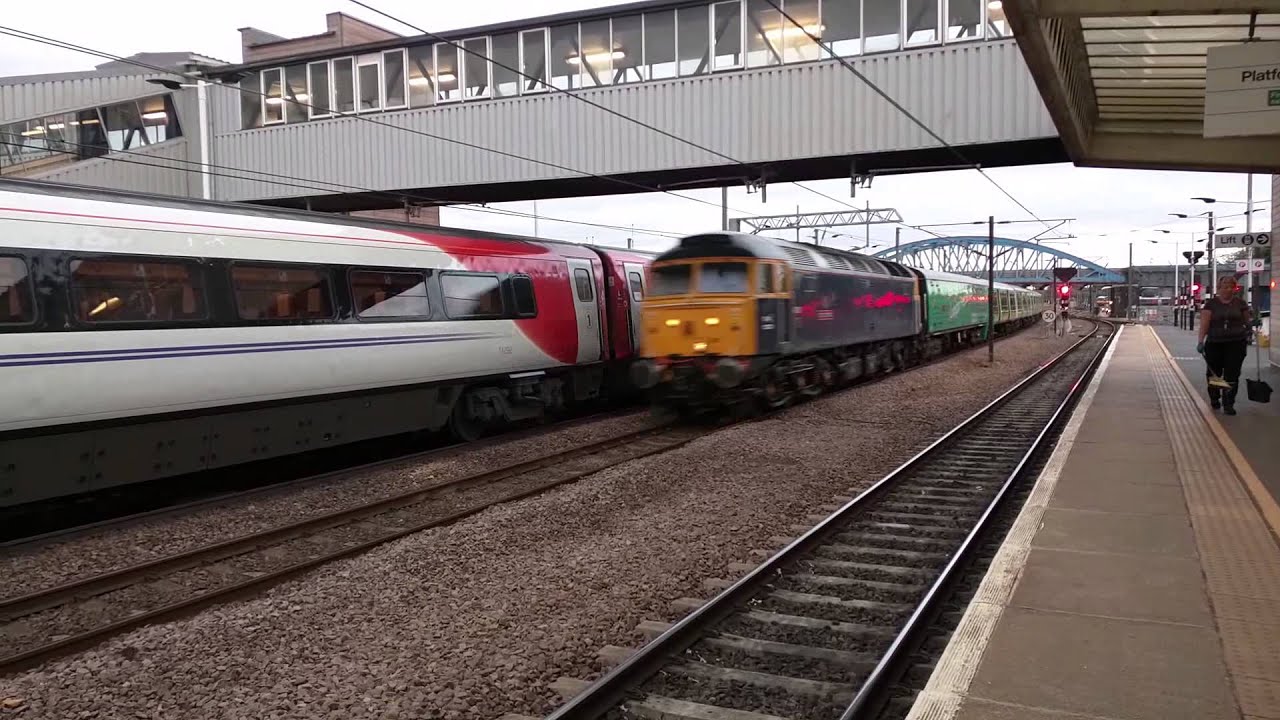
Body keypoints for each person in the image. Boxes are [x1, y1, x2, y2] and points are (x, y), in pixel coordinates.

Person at [1197, 275, 1253, 415]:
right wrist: (1200, 341)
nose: (1227, 290)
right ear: (1219, 288)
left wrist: (1252, 326)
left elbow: (1247, 321)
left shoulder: (1240, 303)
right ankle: (1215, 398)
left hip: (1236, 343)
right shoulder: (1211, 304)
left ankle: (1229, 403)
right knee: (1214, 373)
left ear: (1235, 288)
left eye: (1230, 287)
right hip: (1215, 343)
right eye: (1224, 287)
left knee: (1232, 374)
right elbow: (1204, 324)